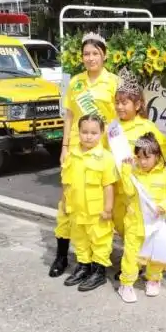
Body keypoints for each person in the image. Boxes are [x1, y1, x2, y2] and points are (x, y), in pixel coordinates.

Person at [48, 32, 119, 278]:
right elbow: (69, 116)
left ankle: (96, 261)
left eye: (95, 53)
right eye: (86, 54)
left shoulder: (113, 82)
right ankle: (63, 256)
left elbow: (119, 119)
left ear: (104, 55)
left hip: (102, 151)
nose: (90, 58)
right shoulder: (76, 82)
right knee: (68, 204)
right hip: (77, 150)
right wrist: (65, 146)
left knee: (98, 208)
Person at [107, 68, 166, 246]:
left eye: (124, 102)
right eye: (117, 102)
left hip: (137, 188)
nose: (119, 107)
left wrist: (149, 167)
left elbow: (164, 148)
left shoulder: (146, 127)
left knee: (135, 226)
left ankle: (134, 260)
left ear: (137, 105)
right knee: (119, 222)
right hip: (116, 185)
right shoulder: (112, 127)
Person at [113, 132, 166, 303]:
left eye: (147, 157)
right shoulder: (133, 173)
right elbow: (128, 192)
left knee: (155, 253)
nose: (142, 162)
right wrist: (126, 171)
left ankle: (153, 279)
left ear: (157, 156)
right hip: (134, 224)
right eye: (139, 157)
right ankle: (126, 284)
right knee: (131, 255)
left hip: (156, 224)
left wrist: (164, 205)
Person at [60, 114, 117, 291]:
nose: (89, 136)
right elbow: (66, 181)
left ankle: (98, 272)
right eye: (84, 132)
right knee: (80, 239)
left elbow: (109, 185)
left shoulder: (106, 157)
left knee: (100, 240)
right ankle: (83, 266)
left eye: (94, 132)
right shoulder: (72, 155)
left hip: (97, 210)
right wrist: (64, 201)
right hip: (76, 207)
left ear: (101, 133)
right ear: (79, 132)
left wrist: (108, 209)